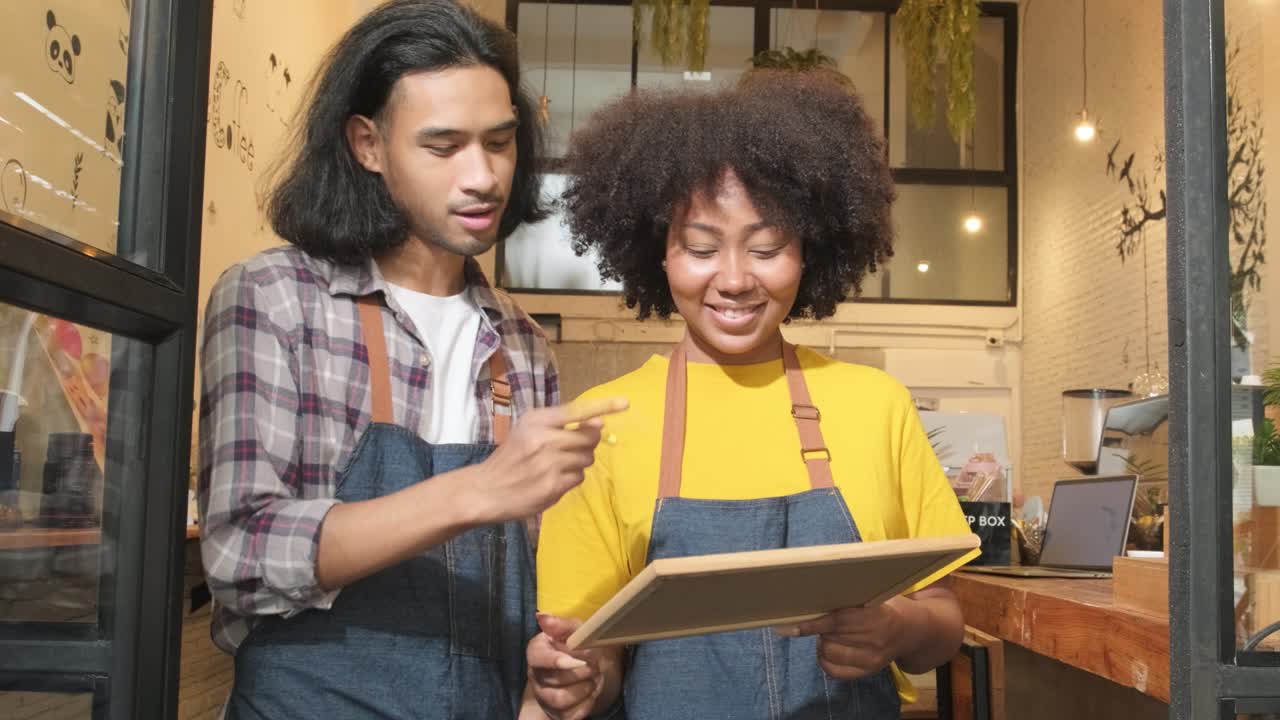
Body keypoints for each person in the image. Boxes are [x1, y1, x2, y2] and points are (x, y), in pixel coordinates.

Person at [197, 1, 622, 717]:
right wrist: (476, 491)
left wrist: (565, 671)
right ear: (367, 143)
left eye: (500, 141)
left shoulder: (521, 346)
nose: (484, 176)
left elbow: (535, 580)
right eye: (443, 145)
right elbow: (242, 553)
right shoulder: (276, 299)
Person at [526, 71, 979, 720]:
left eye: (766, 247)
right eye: (702, 247)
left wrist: (898, 628)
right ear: (659, 253)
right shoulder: (603, 425)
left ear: (809, 250)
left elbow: (943, 623)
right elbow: (596, 661)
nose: (734, 280)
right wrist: (571, 680)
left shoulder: (875, 405)